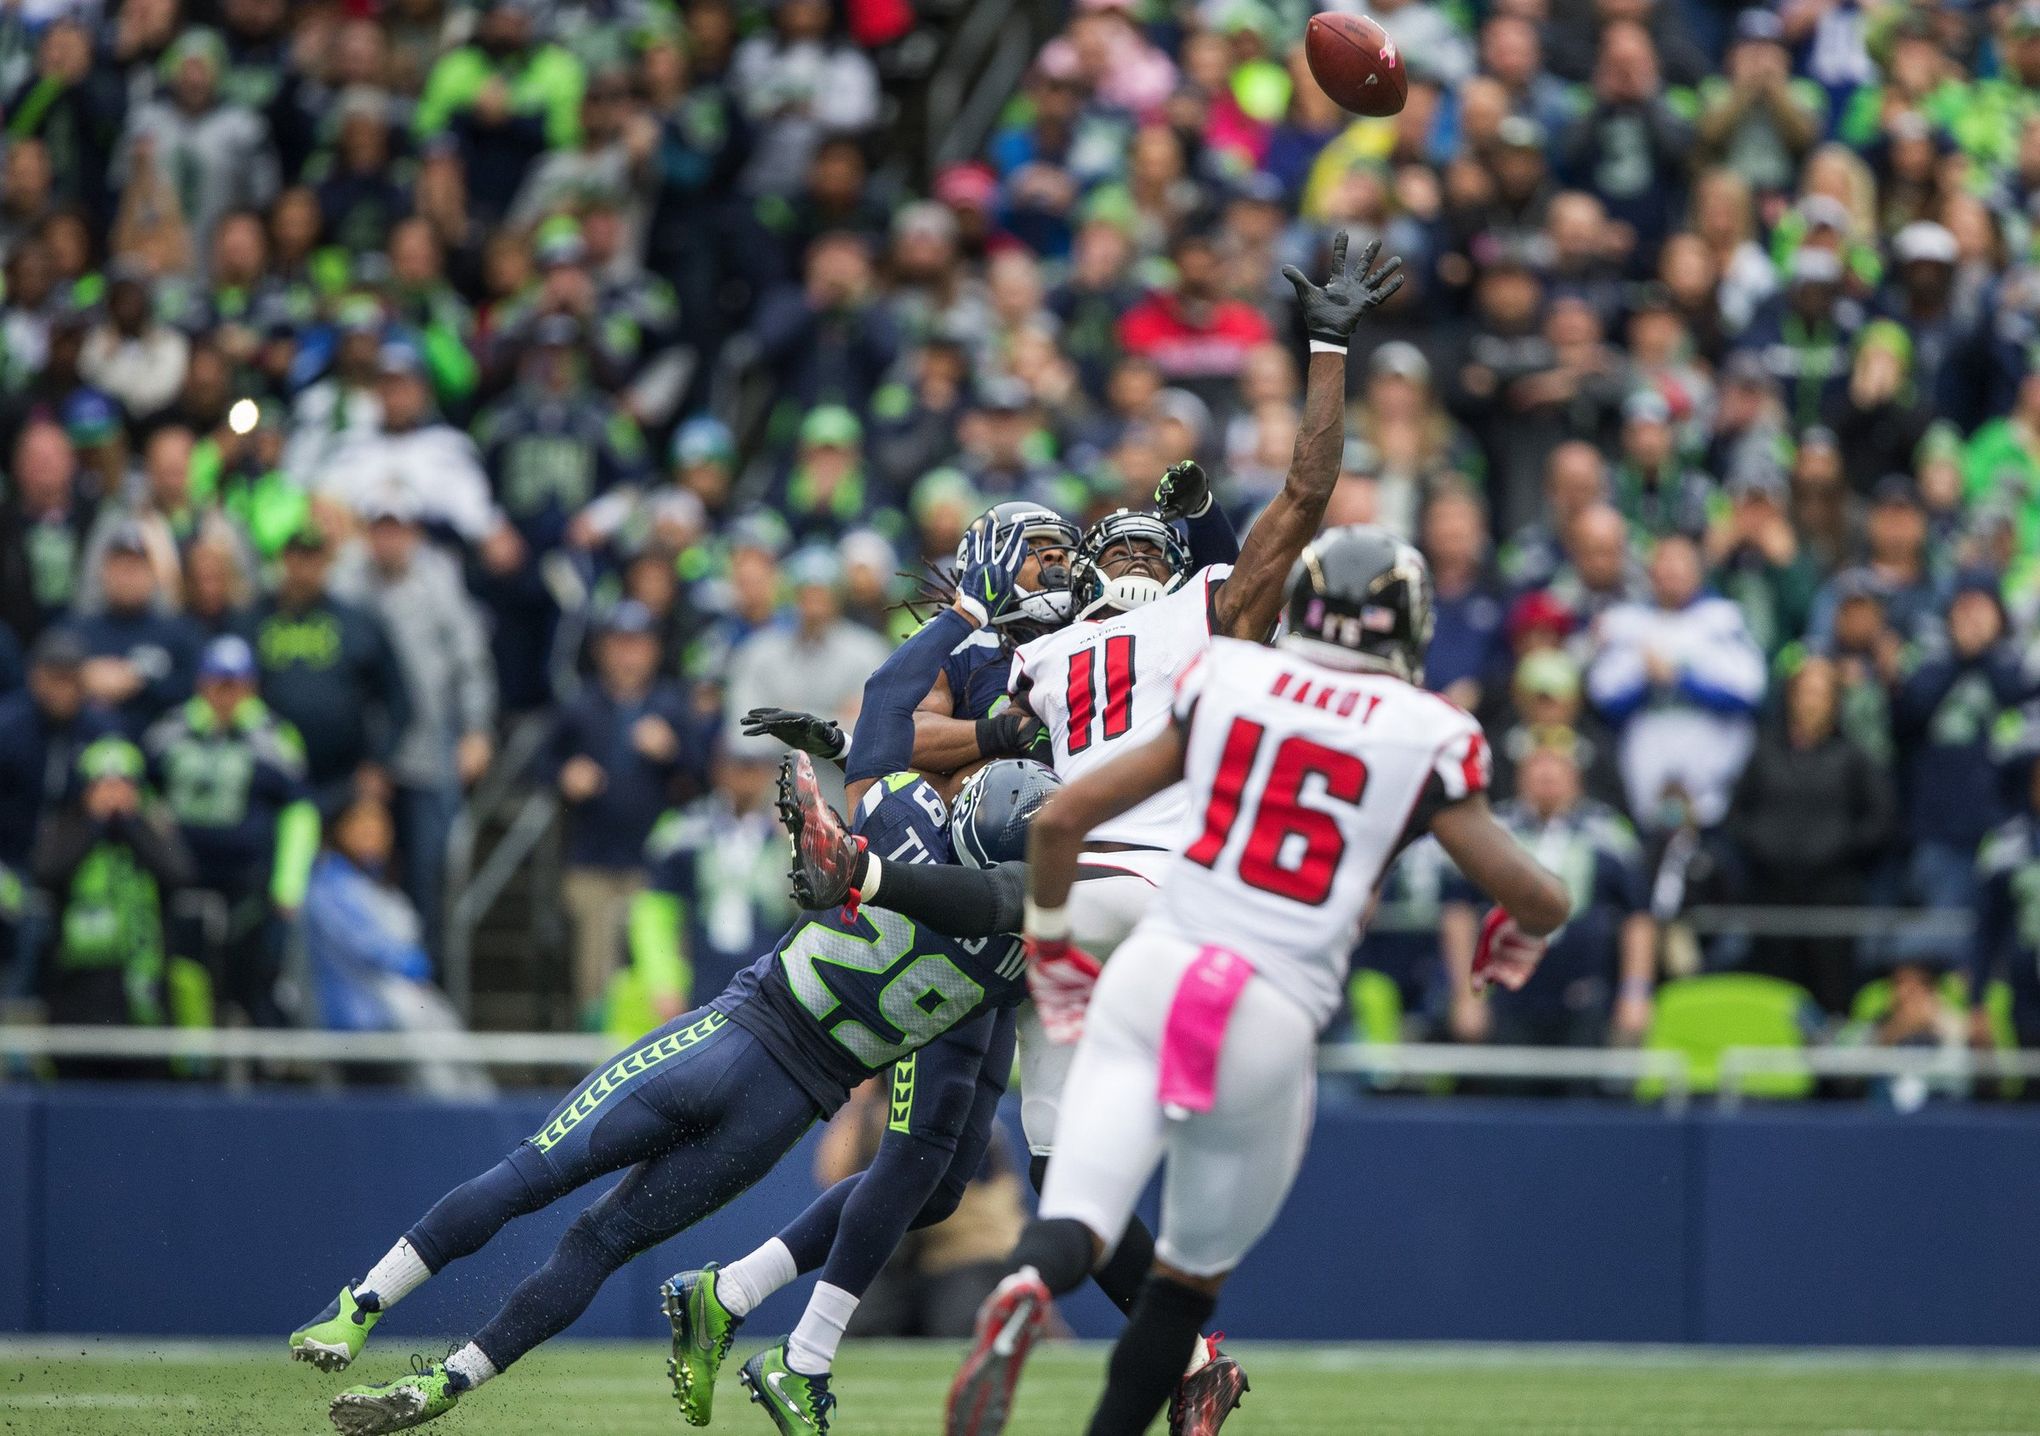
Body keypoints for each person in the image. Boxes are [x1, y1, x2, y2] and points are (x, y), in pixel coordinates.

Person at [287, 540, 1048, 1436]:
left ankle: (361, 1304)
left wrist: (964, 622)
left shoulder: (904, 824)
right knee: (602, 1244)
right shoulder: (1019, 955)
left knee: (535, 1171)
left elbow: (886, 706)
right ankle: (440, 1389)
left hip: (733, 1041)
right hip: (791, 1107)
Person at [945, 527, 1569, 1436]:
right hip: (1266, 1008)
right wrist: (1521, 930)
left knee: (1078, 1210)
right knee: (1184, 1284)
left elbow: (1061, 820)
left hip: (1156, 966)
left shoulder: (1227, 679)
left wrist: (1051, 952)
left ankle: (1027, 1285)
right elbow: (1538, 892)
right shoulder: (1429, 731)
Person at [330, 491, 497, 944]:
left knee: (428, 874)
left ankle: (429, 984)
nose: (389, 539)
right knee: (357, 873)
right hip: (364, 755)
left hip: (427, 752)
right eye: (380, 528)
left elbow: (469, 660)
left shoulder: (438, 579)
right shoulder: (348, 580)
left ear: (414, 533)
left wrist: (477, 731)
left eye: (397, 529)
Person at [142, 634, 317, 1026]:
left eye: (234, 685)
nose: (225, 695)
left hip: (246, 878)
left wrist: (288, 883)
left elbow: (299, 810)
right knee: (184, 974)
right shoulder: (171, 731)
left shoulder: (272, 737)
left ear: (250, 686)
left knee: (250, 976)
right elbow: (141, 790)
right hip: (182, 875)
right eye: (218, 683)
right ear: (202, 683)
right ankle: (191, 1061)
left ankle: (251, 1067)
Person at [1443, 735, 1654, 1050]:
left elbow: (1637, 918)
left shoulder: (1608, 833)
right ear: (1519, 774)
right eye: (1537, 764)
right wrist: (1465, 996)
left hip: (1587, 995)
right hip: (1506, 995)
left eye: (1557, 765)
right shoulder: (1491, 831)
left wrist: (1635, 993)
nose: (1546, 774)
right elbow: (1459, 911)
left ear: (1577, 775)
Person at [550, 600, 699, 1023]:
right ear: (603, 650)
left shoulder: (671, 705)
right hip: (593, 862)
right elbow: (542, 765)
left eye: (638, 644)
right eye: (620, 644)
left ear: (653, 650)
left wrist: (672, 753)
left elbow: (704, 776)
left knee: (661, 979)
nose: (628, 655)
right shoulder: (581, 704)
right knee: (594, 979)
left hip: (657, 869)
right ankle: (594, 1070)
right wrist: (566, 774)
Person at [1586, 534, 1766, 831]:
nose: (1671, 572)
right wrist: (1646, 681)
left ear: (1698, 571)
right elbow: (1604, 700)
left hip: (1714, 777)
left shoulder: (1723, 618)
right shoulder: (1626, 621)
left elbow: (1749, 692)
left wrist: (1681, 679)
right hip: (1645, 776)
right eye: (1663, 564)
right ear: (1649, 572)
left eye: (1679, 564)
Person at [30, 736, 195, 1057]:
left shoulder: (152, 829)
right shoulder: (65, 827)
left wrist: (130, 825)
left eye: (123, 784)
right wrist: (94, 825)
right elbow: (46, 873)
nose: (113, 794)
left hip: (143, 988)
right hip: (76, 985)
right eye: (103, 784)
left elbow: (180, 875)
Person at [246, 518, 413, 816]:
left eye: (313, 558)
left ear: (327, 562)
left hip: (345, 782)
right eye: (297, 557)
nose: (304, 568)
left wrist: (378, 763)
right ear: (284, 560)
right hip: (265, 779)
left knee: (365, 841)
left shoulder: (357, 623)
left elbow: (400, 701)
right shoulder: (252, 620)